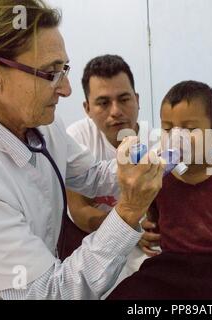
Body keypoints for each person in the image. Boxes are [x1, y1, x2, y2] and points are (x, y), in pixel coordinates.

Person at [0, 0, 163, 300]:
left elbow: (91, 175)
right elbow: (49, 293)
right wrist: (128, 212)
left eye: (64, 69)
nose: (66, 89)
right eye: (50, 73)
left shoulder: (39, 120)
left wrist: (158, 160)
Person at [107, 81, 212, 300]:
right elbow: (153, 216)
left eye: (189, 129)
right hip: (171, 265)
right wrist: (149, 228)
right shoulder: (159, 178)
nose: (177, 137)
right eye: (168, 128)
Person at [58, 55, 159, 259]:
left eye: (124, 99)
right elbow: (80, 212)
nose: (116, 111)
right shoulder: (76, 138)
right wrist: (130, 228)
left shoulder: (157, 144)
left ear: (137, 100)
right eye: (103, 103)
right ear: (87, 109)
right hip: (92, 243)